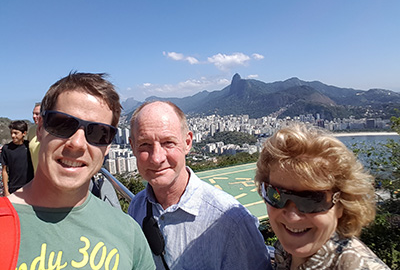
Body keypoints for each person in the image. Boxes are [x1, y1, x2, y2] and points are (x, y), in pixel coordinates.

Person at [8, 72, 155, 269]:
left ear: (108, 145)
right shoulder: (4, 224)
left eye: (98, 132)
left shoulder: (128, 232)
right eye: (62, 124)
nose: (77, 143)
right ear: (41, 128)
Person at [128, 101, 272, 270]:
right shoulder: (137, 206)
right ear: (132, 147)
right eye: (145, 145)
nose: (157, 158)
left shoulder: (231, 221)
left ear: (187, 142)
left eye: (168, 143)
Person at [255, 123, 390, 269]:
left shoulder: (357, 266)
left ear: (342, 204)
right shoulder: (285, 251)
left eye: (312, 200)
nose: (292, 217)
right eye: (276, 195)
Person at [2, 120, 34, 196]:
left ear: (24, 133)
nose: (13, 136)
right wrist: (6, 191)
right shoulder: (6, 148)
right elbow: (4, 171)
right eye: (11, 133)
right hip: (13, 188)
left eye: (16, 133)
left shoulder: (29, 146)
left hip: (29, 187)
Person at [27, 102, 41, 173]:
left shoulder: (52, 130)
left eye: (37, 114)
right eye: (33, 113)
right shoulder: (32, 130)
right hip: (35, 176)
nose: (34, 116)